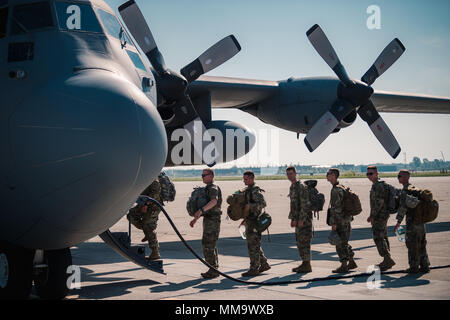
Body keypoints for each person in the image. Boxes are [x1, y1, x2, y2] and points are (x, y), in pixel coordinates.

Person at [394, 170, 430, 273]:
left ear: (405, 177)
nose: (398, 178)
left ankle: (413, 267)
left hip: (412, 222)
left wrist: (398, 223)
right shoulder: (416, 190)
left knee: (412, 245)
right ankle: (425, 266)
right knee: (422, 244)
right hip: (421, 222)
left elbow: (403, 208)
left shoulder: (406, 191)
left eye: (399, 176)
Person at [189, 169, 223, 279]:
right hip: (209, 219)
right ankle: (213, 268)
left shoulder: (213, 188)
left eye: (205, 175)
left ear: (212, 176)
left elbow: (214, 201)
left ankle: (213, 269)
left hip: (213, 220)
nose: (202, 177)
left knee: (208, 244)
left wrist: (201, 211)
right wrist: (195, 219)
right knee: (210, 244)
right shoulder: (207, 188)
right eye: (202, 175)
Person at [240, 171, 271, 277]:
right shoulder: (248, 190)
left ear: (252, 178)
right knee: (255, 244)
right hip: (250, 220)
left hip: (255, 221)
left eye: (246, 179)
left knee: (252, 245)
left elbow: (263, 203)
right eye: (244, 179)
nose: (244, 181)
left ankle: (254, 268)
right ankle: (264, 264)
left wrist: (251, 206)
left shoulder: (255, 190)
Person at [326, 168, 357, 273]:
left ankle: (344, 265)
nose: (327, 175)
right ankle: (351, 261)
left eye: (328, 174)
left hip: (340, 221)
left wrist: (334, 223)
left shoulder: (336, 190)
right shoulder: (341, 187)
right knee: (344, 242)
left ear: (334, 175)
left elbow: (336, 208)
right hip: (346, 219)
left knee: (339, 244)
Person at [366, 166, 396, 271]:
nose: (369, 176)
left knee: (378, 236)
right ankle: (387, 259)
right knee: (383, 235)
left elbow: (379, 203)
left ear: (377, 173)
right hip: (383, 214)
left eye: (371, 174)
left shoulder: (378, 186)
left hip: (380, 215)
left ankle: (387, 259)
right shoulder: (381, 184)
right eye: (367, 174)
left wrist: (372, 216)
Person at [128, 177, 163, 260]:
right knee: (131, 215)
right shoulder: (144, 178)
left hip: (153, 206)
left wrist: (146, 205)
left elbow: (155, 193)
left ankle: (155, 252)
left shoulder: (154, 180)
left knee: (147, 225)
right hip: (143, 204)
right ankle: (147, 232)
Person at [286, 166, 313, 273]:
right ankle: (304, 263)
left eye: (291, 174)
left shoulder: (301, 186)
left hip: (304, 220)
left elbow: (305, 205)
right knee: (299, 242)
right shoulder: (292, 187)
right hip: (297, 219)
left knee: (304, 242)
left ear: (295, 173)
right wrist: (292, 219)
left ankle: (307, 265)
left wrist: (301, 219)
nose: (289, 176)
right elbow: (293, 205)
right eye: (287, 174)